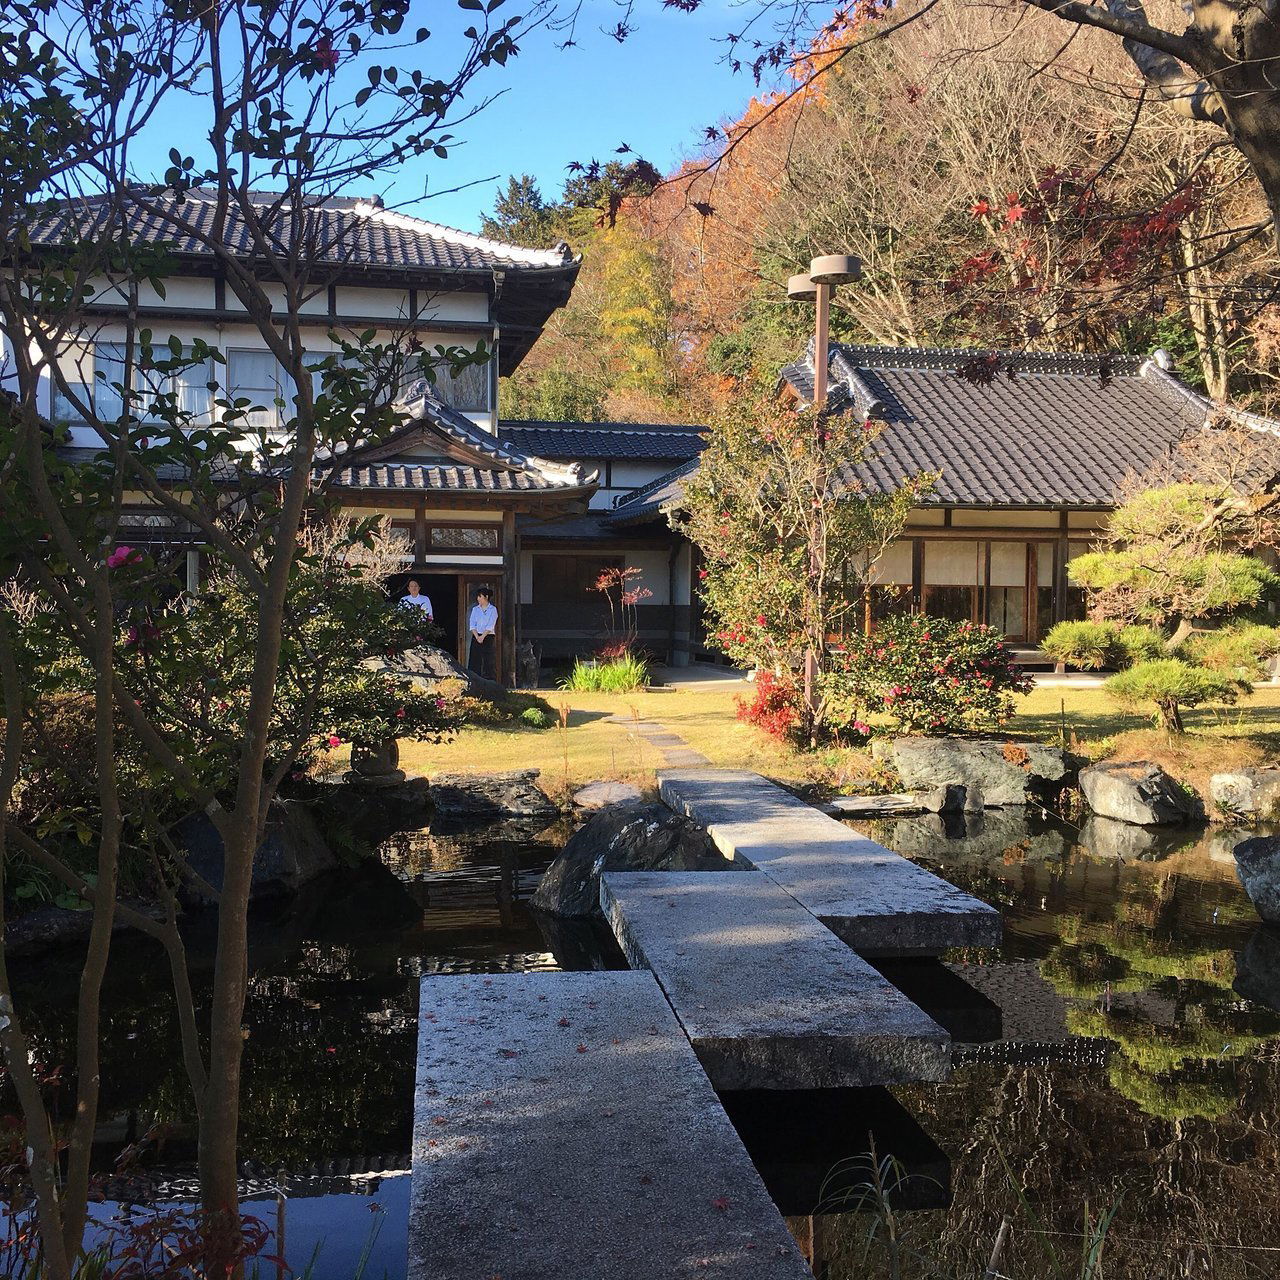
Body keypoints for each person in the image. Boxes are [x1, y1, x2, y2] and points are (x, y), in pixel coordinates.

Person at [468, 587, 498, 680]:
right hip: (476, 636)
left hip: (488, 636)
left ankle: (489, 680)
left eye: (480, 596)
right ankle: (473, 679)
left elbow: (491, 625)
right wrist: (477, 636)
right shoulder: (475, 609)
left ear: (486, 597)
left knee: (488, 659)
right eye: (478, 596)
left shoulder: (493, 609)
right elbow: (472, 624)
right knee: (474, 659)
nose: (478, 598)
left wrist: (483, 637)